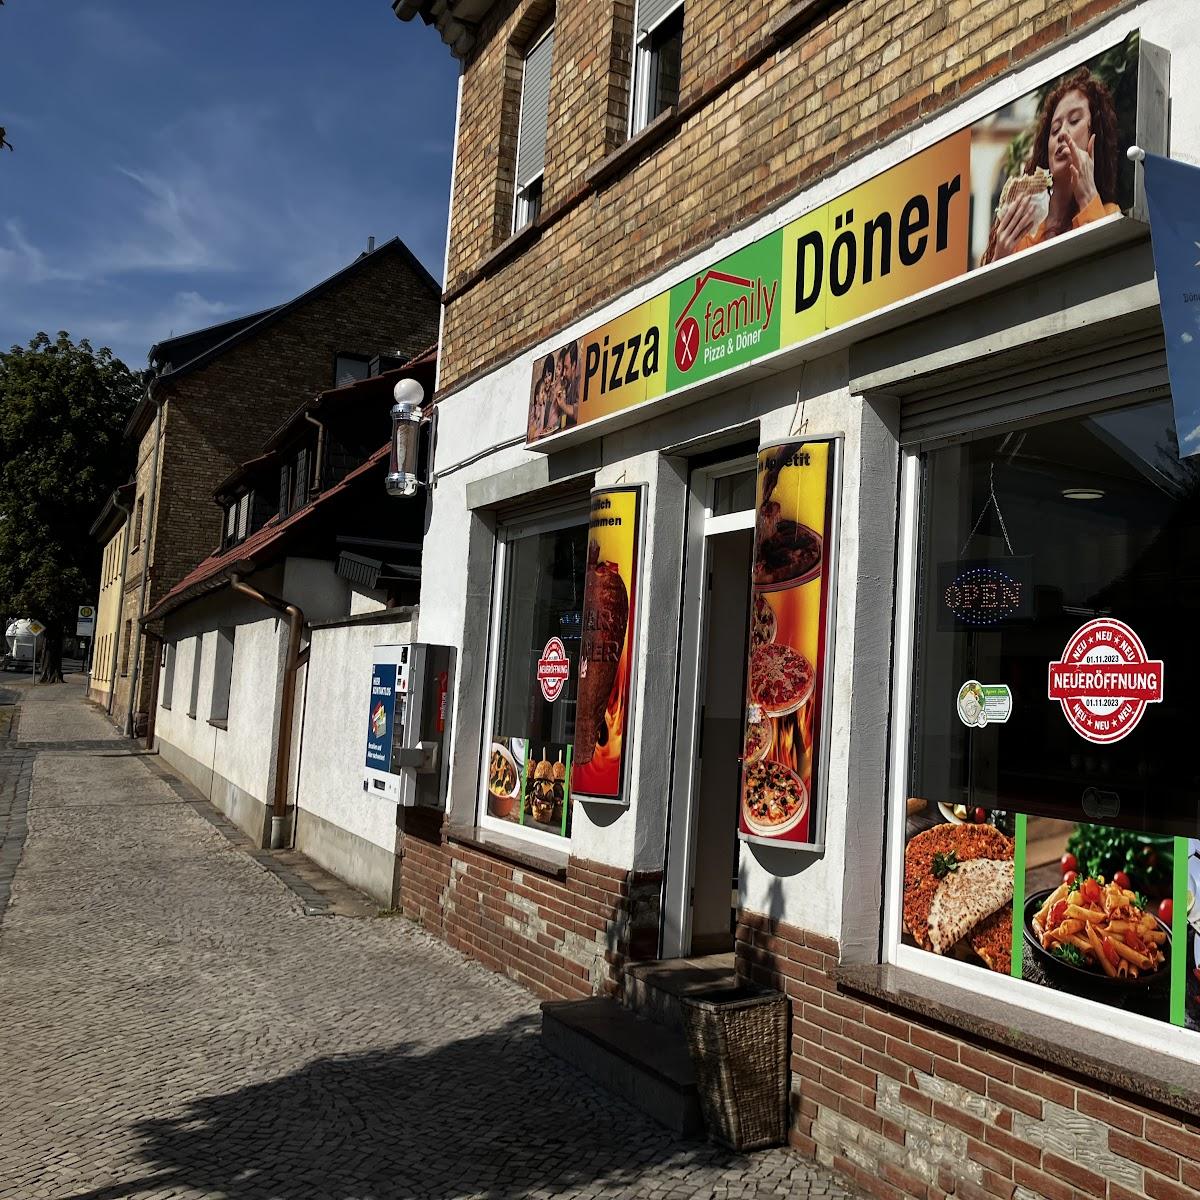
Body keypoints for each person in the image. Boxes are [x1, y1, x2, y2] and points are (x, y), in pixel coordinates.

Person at [984, 68, 1122, 264]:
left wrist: (1088, 199)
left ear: (1094, 136)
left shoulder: (1108, 214)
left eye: (1074, 121)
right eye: (1054, 129)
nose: (1062, 133)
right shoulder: (1021, 231)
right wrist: (1000, 256)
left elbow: (1110, 277)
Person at [528, 354, 556, 441]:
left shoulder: (554, 393)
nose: (547, 379)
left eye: (549, 375)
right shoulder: (537, 407)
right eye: (545, 375)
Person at [554, 342, 580, 429]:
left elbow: (579, 411)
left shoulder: (579, 383)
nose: (563, 373)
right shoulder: (566, 384)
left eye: (566, 368)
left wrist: (563, 405)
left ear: (574, 365)